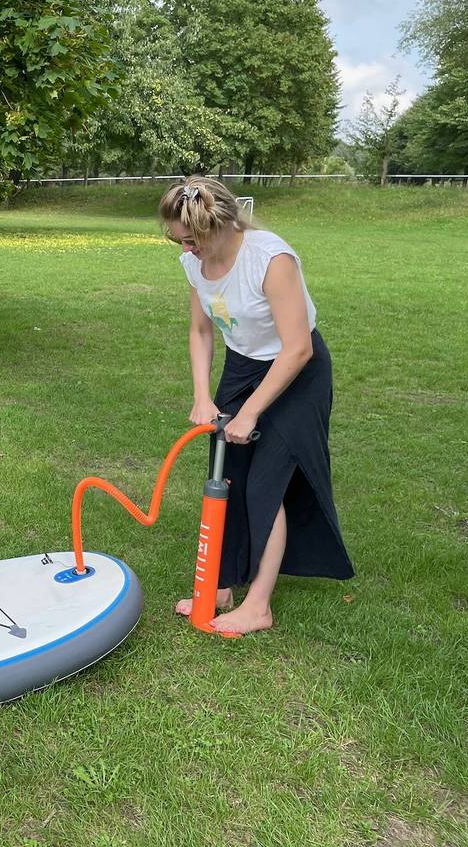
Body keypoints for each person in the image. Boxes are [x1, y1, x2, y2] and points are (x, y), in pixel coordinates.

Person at [160, 176, 352, 635]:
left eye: (191, 241)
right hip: (244, 367)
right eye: (178, 242)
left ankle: (259, 606)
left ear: (219, 224)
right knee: (227, 474)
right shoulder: (195, 265)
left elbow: (297, 349)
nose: (186, 251)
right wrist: (203, 396)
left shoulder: (269, 257)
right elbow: (202, 330)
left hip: (296, 373)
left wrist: (249, 413)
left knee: (265, 485)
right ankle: (221, 586)